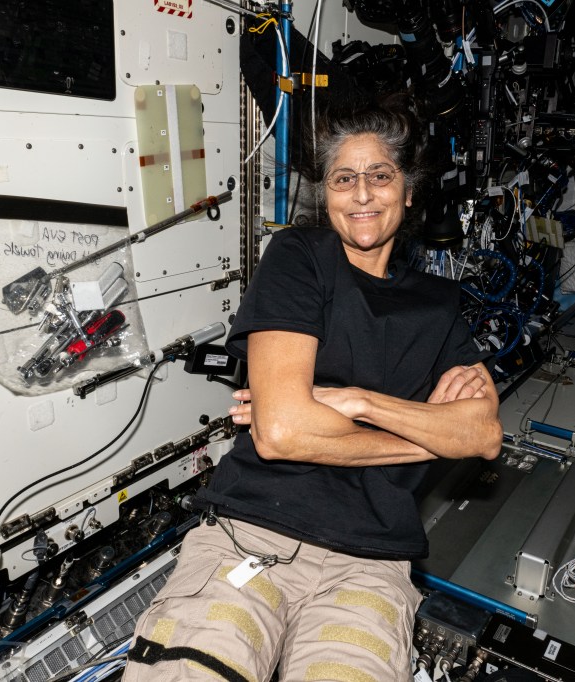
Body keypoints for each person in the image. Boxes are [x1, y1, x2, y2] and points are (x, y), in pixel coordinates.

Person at [122, 94, 503, 681]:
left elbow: (482, 434)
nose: (361, 194)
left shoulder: (438, 303)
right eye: (342, 178)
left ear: (408, 190)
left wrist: (355, 401)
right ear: (325, 194)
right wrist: (432, 435)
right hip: (251, 536)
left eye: (380, 175)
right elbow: (280, 433)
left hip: (370, 564)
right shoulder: (301, 257)